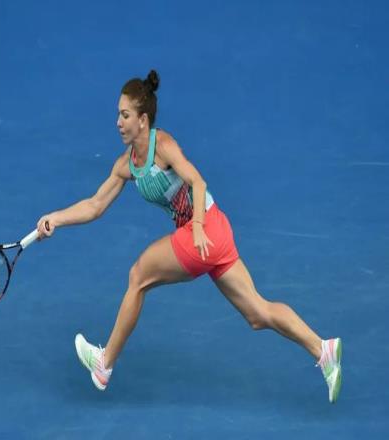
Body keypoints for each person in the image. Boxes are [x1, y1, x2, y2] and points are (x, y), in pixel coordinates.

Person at [36, 70, 342, 403]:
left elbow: (197, 182)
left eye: (125, 115)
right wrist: (56, 218)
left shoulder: (164, 146)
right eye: (118, 115)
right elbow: (95, 205)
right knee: (258, 313)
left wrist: (196, 226)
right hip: (216, 232)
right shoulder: (126, 165)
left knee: (138, 276)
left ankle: (104, 364)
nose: (118, 122)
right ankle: (322, 349)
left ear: (143, 120)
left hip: (203, 232)